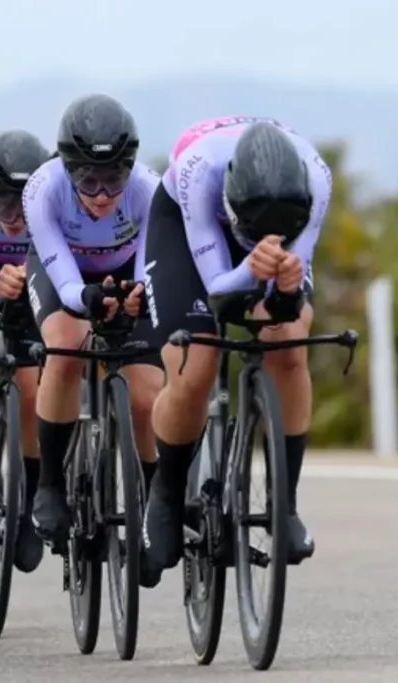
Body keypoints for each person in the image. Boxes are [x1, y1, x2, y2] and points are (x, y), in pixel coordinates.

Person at [139, 116, 333, 587]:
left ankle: (284, 506)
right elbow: (220, 292)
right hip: (190, 236)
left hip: (271, 241)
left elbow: (287, 304)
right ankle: (164, 494)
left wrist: (286, 290)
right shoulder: (199, 171)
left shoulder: (317, 179)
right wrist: (249, 266)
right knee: (195, 362)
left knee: (287, 343)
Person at [22, 93, 164, 544]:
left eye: (114, 179)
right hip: (65, 272)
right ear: (67, 169)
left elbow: (149, 266)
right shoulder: (42, 189)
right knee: (65, 351)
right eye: (88, 180)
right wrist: (86, 298)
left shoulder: (148, 190)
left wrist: (138, 293)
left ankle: (155, 494)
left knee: (147, 394)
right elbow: (65, 286)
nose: (102, 194)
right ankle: (48, 484)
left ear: (131, 168)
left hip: (125, 271)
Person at [0, 129, 50, 573]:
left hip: (31, 285)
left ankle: (31, 498)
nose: (12, 214)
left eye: (21, 203)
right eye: (1, 201)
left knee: (32, 386)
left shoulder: (54, 201)